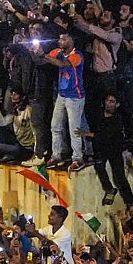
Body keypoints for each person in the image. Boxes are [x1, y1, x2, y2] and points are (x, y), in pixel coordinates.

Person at [44, 31, 87, 166]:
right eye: (59, 39)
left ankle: (77, 158)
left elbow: (63, 64)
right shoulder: (58, 52)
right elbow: (45, 59)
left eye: (63, 39)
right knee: (55, 126)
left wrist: (42, 54)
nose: (60, 41)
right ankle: (56, 155)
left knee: (74, 129)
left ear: (71, 40)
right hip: (61, 95)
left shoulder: (77, 55)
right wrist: (36, 52)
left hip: (75, 96)